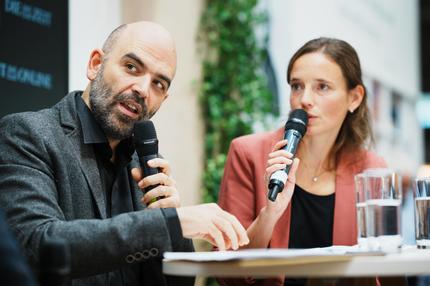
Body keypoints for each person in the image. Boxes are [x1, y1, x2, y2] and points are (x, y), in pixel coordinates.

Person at [0, 21, 248, 286]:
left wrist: (174, 230)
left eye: (158, 84)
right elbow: (37, 244)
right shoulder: (27, 133)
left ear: (163, 100)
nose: (142, 90)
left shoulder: (146, 164)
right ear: (95, 64)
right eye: (131, 67)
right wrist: (170, 223)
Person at [217, 38, 387, 286]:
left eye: (322, 87)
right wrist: (269, 214)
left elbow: (382, 270)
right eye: (297, 86)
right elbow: (226, 273)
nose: (305, 99)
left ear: (354, 98)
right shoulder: (248, 153)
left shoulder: (370, 169)